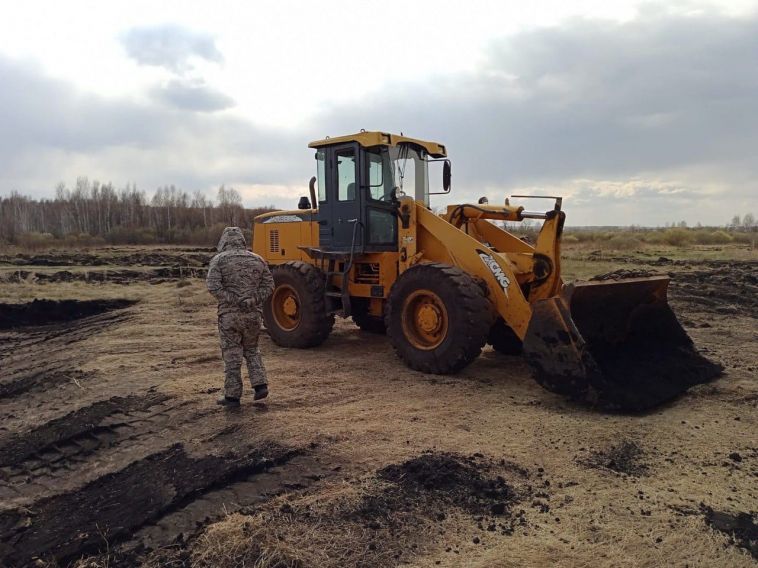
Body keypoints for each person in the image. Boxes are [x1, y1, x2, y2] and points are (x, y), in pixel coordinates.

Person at [206, 227, 274, 407]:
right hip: (253, 315)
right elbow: (269, 285)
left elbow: (213, 286)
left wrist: (232, 300)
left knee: (232, 353)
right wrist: (253, 300)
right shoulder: (258, 260)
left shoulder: (219, 260)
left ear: (224, 241)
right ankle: (260, 386)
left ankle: (232, 396)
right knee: (252, 350)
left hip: (229, 316)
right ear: (243, 241)